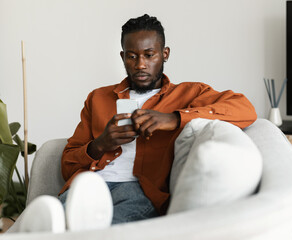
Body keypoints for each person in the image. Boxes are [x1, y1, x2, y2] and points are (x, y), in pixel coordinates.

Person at [59, 14, 257, 225]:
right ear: (122, 56)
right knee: (55, 224)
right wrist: (100, 144)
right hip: (89, 185)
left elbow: (244, 108)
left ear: (165, 54)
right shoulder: (98, 98)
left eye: (149, 55)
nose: (140, 64)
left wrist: (174, 118)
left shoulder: (188, 93)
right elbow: (67, 165)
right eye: (132, 56)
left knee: (105, 232)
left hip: (139, 191)